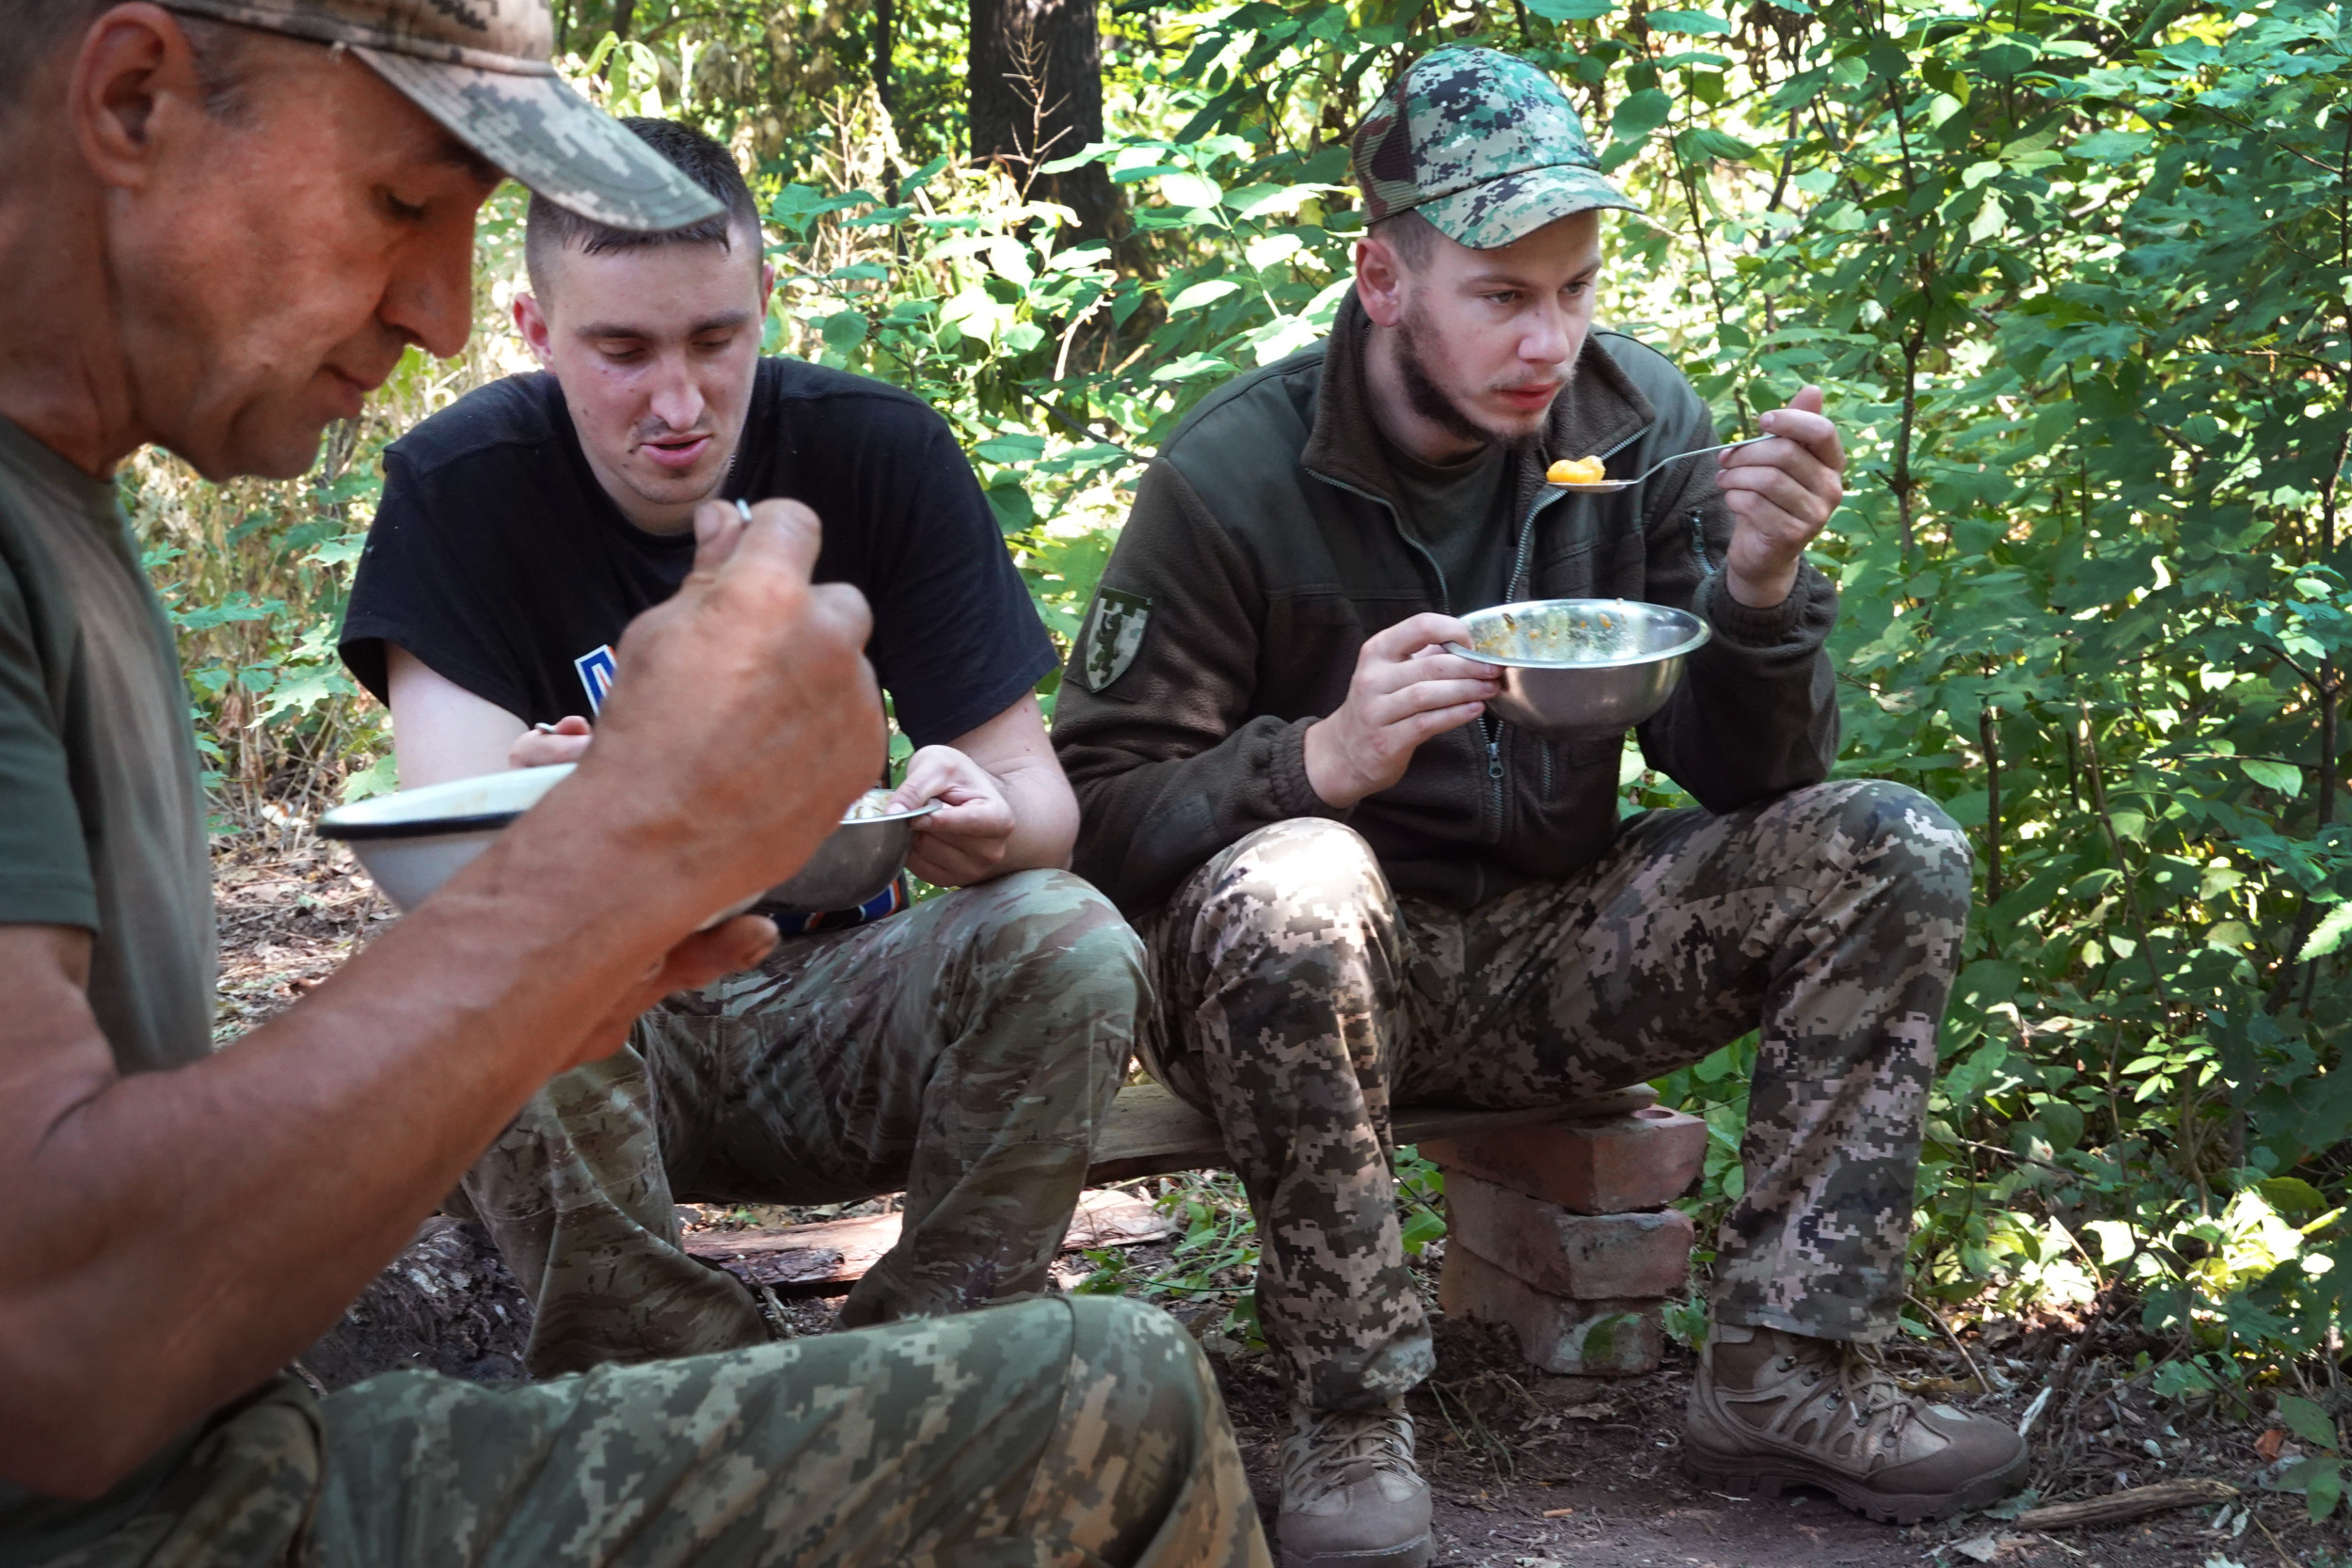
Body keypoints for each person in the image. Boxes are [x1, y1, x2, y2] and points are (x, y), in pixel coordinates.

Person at [0, 2, 1266, 1563]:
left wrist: (885, 811)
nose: (445, 315)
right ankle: (700, 1365)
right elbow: (55, 1347)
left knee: (1083, 1167)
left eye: (714, 340)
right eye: (405, 202)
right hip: (165, 1507)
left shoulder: (58, 508)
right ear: (131, 102)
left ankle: (895, 1351)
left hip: (233, 1428)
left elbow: (84, 1264)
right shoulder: (401, 489)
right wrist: (617, 835)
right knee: (1120, 1399)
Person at [1052, 44, 2021, 1568]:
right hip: (1291, 972)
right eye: (1503, 295)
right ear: (1384, 278)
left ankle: (1786, 1372)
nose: (1550, 340)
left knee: (1888, 842)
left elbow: (1755, 781)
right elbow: (1088, 818)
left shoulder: (1636, 428)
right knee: (1301, 871)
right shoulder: (1232, 477)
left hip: (1550, 945)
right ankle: (1352, 1412)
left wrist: (1757, 595)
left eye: (1573, 289)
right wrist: (1311, 763)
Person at [336, 116, 1150, 1380]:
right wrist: (579, 793)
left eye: (718, 339)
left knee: (1072, 937)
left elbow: (1043, 806)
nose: (680, 401)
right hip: (614, 1019)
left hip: (846, 1001)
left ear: (767, 298)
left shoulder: (876, 452)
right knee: (483, 975)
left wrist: (976, 812)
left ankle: (919, 1368)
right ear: (536, 331)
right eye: (622, 350)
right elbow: (462, 872)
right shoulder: (463, 489)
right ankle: (686, 1391)